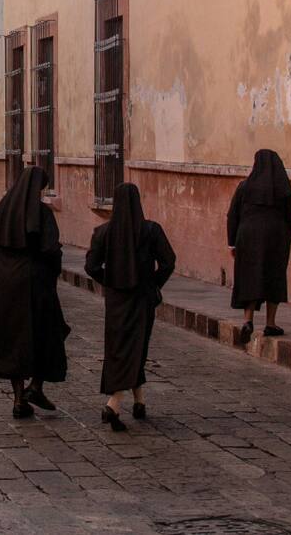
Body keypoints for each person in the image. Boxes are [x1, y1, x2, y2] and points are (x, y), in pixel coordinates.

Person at [0, 166, 70, 419]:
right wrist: (50, 271)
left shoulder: (0, 210)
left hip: (2, 281)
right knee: (46, 332)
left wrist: (1, 265)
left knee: (11, 338)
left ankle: (19, 399)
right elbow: (51, 250)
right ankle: (36, 387)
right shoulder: (42, 214)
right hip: (35, 282)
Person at [85, 183, 176, 432]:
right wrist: (153, 283)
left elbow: (92, 266)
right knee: (137, 347)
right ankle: (114, 403)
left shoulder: (103, 232)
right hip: (142, 298)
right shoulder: (151, 231)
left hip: (115, 301)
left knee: (119, 348)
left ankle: (139, 401)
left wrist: (111, 281)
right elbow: (169, 261)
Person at [227, 149, 291, 343]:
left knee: (249, 277)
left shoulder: (245, 187)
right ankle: (270, 323)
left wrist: (232, 242)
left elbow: (232, 215)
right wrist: (286, 237)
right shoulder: (284, 189)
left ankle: (248, 321)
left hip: (247, 236)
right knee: (274, 277)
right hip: (276, 237)